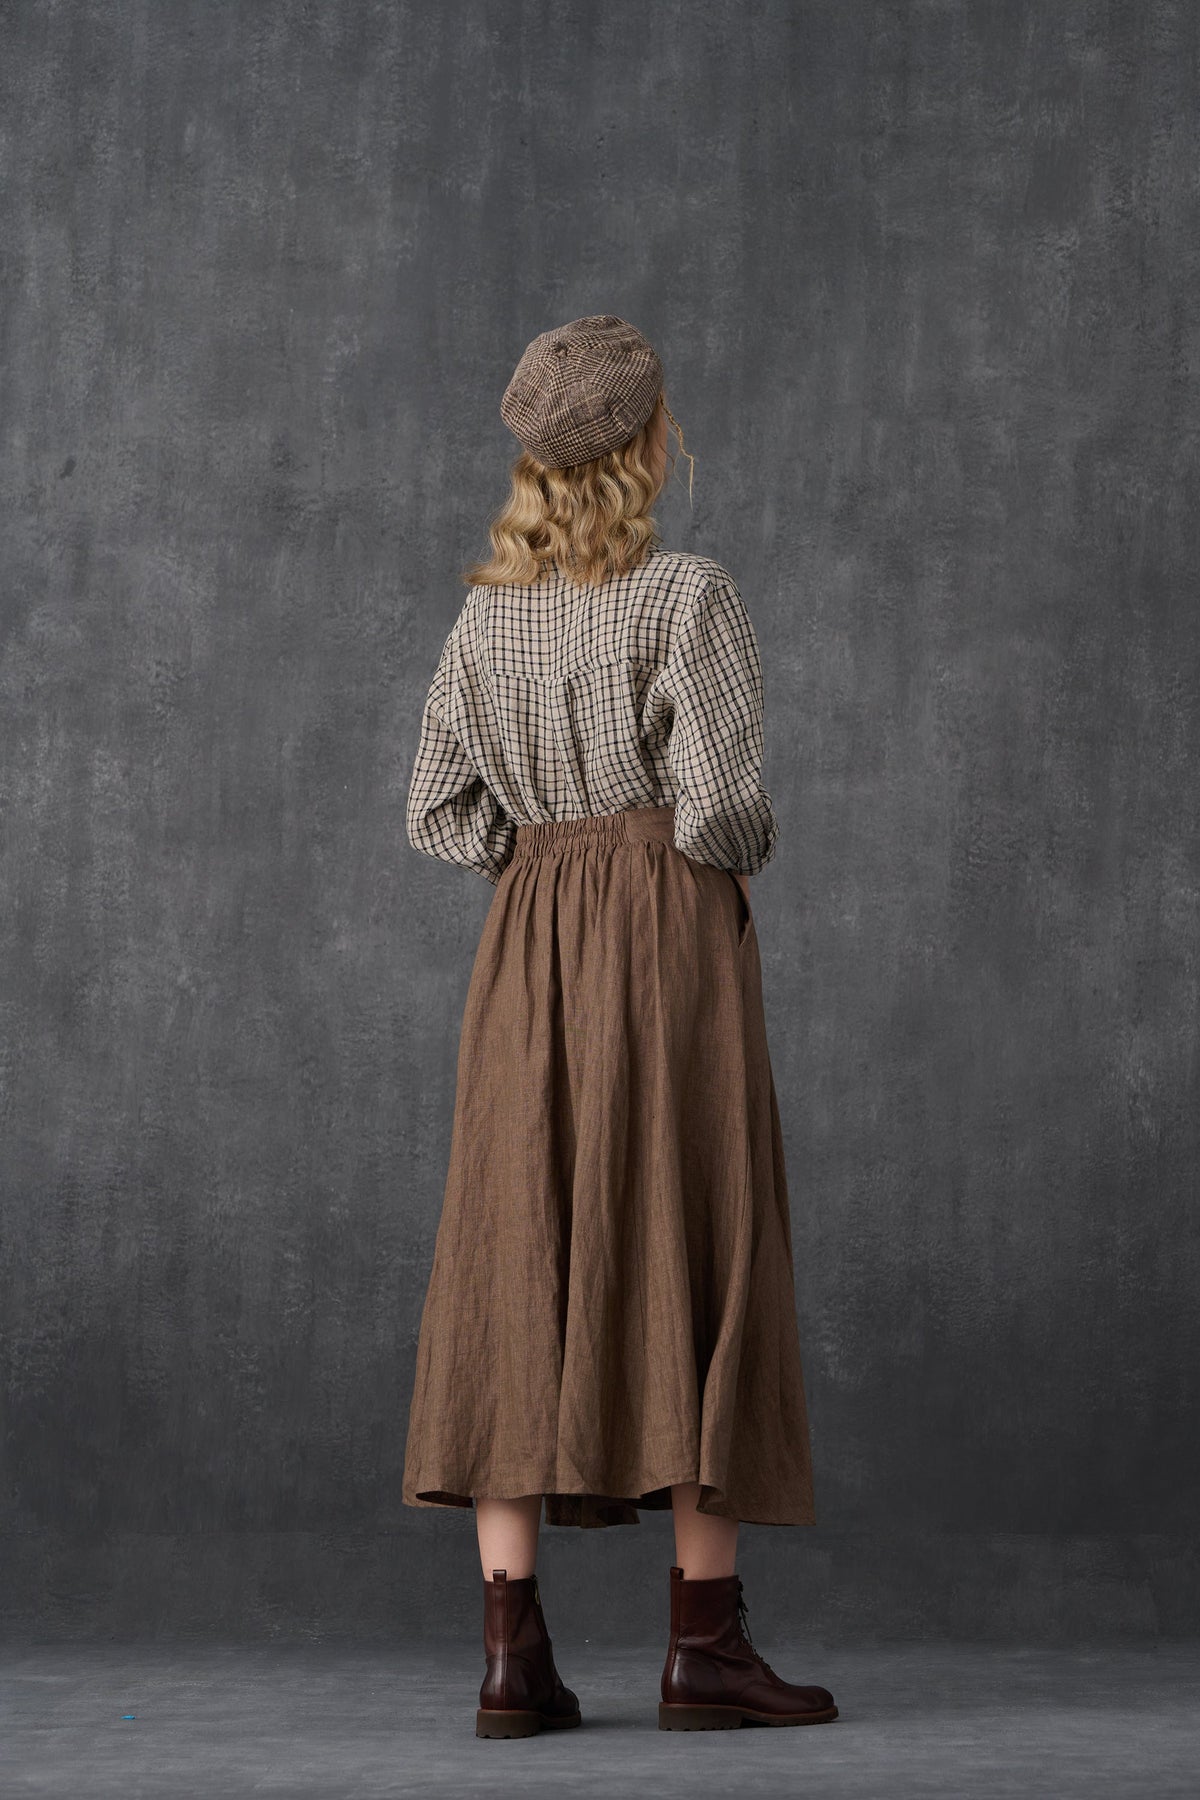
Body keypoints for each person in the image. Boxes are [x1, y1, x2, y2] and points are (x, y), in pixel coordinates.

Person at [402, 314, 837, 1738]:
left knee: (516, 1246)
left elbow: (436, 808)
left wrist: (544, 869)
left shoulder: (483, 619)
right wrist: (680, 869)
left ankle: (511, 1658)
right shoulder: (688, 595)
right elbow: (724, 804)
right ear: (649, 442)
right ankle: (703, 1651)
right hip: (667, 936)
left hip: (528, 941)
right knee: (699, 1233)